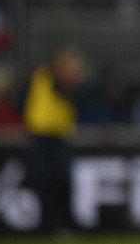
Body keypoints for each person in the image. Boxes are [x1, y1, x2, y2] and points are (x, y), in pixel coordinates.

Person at [22, 45, 85, 233]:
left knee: (63, 182)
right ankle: (46, 224)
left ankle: (65, 222)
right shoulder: (44, 77)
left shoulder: (68, 85)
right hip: (42, 136)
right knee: (45, 181)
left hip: (60, 137)